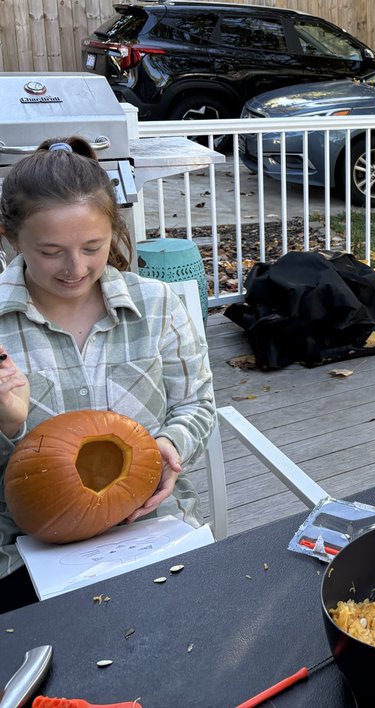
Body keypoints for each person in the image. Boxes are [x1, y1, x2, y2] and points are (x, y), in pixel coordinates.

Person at [0, 138, 215, 612]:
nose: (76, 268)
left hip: (149, 527)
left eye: (92, 247)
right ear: (12, 239)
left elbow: (196, 404)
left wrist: (170, 445)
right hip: (24, 552)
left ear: (113, 230)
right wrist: (8, 425)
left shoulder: (157, 305)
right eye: (51, 251)